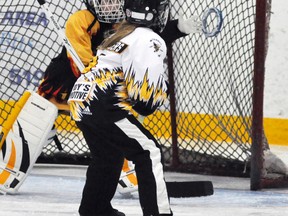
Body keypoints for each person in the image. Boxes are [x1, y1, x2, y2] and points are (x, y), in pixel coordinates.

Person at [36, 0, 202, 196]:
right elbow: (84, 63)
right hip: (62, 87)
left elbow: (144, 44)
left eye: (115, 1)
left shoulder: (126, 22)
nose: (110, 7)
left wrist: (177, 28)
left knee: (112, 142)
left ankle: (106, 195)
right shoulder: (81, 20)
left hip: (93, 93)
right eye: (105, 2)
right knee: (36, 112)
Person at [68, 0, 174, 215]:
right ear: (150, 13)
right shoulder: (149, 38)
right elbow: (146, 101)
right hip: (103, 105)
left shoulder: (120, 34)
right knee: (148, 152)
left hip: (80, 101)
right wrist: (163, 90)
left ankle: (95, 210)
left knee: (107, 156)